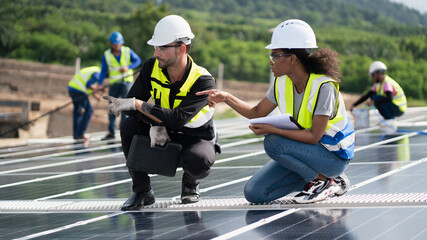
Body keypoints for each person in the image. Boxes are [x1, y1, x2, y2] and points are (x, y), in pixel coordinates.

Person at [197, 19, 354, 204]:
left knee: (273, 142)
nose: (271, 62)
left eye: (275, 56)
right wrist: (227, 98)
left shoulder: (324, 86)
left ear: (292, 58)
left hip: (332, 157)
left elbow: (314, 136)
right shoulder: (282, 83)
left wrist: (274, 129)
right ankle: (322, 179)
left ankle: (324, 181)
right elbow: (256, 112)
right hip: (304, 153)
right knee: (255, 193)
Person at [103, 15, 218, 210]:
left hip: (196, 137)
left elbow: (178, 118)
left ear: (181, 48)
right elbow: (130, 107)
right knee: (128, 125)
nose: (156, 53)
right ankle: (142, 191)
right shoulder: (151, 67)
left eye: (162, 48)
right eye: (155, 48)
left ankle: (190, 185)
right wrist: (155, 123)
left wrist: (144, 109)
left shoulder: (203, 81)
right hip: (166, 130)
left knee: (199, 162)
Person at [100, 31, 142, 140]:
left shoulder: (127, 51)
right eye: (114, 44)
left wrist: (128, 67)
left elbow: (138, 61)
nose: (117, 46)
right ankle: (111, 132)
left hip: (126, 83)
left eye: (118, 43)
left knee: (126, 108)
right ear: (111, 43)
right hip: (114, 84)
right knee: (113, 108)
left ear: (121, 43)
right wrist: (100, 84)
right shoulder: (106, 55)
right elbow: (103, 70)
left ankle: (124, 131)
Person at [67, 66, 102, 140]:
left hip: (72, 88)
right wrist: (101, 89)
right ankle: (81, 133)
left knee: (77, 111)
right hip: (79, 90)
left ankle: (76, 134)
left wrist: (96, 96)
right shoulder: (98, 73)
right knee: (89, 110)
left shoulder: (94, 69)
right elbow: (89, 85)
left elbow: (89, 86)